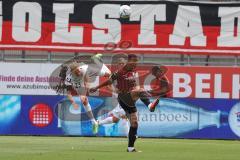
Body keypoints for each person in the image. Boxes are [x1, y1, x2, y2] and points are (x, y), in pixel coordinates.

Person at [90, 54, 159, 152]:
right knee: (124, 116)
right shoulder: (120, 72)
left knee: (133, 123)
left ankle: (130, 148)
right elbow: (109, 82)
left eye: (136, 61)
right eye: (120, 63)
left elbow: (136, 85)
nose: (135, 63)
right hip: (123, 97)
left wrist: (139, 92)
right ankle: (150, 105)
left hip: (130, 98)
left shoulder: (133, 72)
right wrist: (97, 88)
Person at [63, 54, 111, 134]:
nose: (78, 71)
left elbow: (87, 82)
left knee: (109, 74)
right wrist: (73, 102)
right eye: (76, 71)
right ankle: (94, 122)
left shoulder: (83, 69)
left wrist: (87, 88)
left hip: (90, 72)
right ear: (72, 72)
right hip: (79, 83)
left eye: (78, 69)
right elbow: (68, 92)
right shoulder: (68, 79)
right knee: (83, 100)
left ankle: (96, 59)